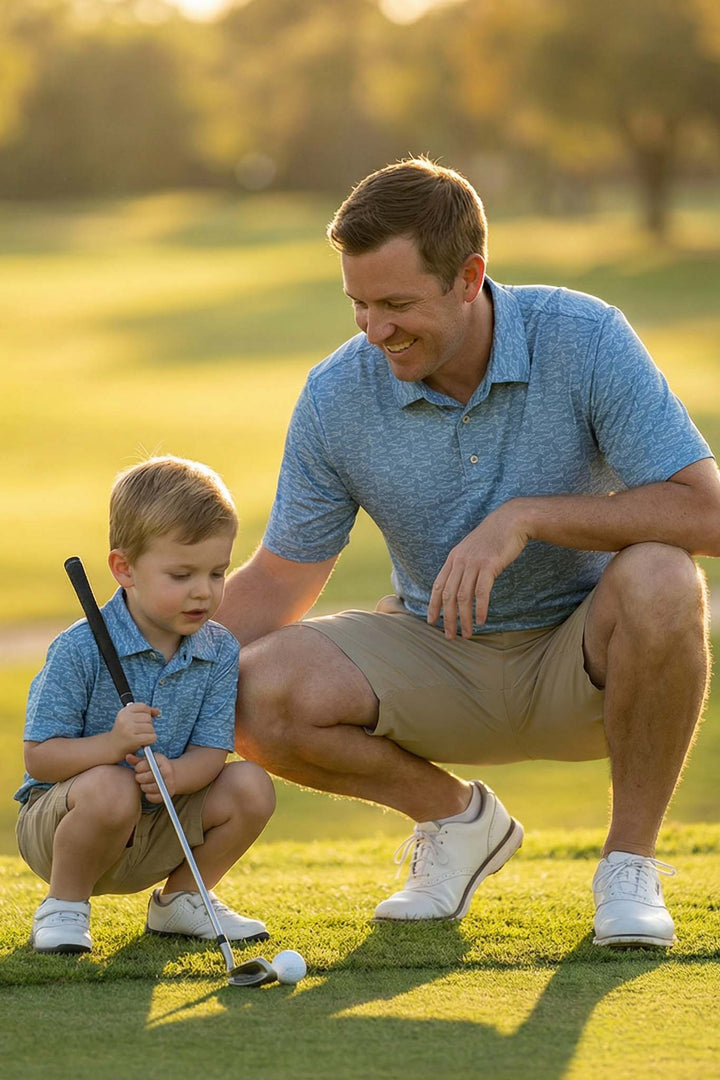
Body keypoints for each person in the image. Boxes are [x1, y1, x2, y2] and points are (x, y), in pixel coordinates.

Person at [216, 158, 720, 948]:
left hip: (587, 658)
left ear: (468, 277)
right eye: (358, 304)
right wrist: (152, 664)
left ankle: (629, 867)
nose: (375, 330)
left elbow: (708, 513)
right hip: (437, 652)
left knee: (664, 575)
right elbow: (281, 577)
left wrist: (528, 516)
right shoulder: (336, 394)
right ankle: (455, 822)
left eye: (395, 304)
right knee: (253, 688)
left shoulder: (582, 338)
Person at [15, 455, 275, 954]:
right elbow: (40, 758)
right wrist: (112, 744)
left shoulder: (219, 649)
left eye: (217, 573)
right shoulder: (79, 647)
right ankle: (64, 906)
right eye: (181, 575)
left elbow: (211, 752)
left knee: (251, 785)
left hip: (159, 823)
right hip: (65, 828)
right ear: (124, 569)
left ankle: (182, 899)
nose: (203, 591)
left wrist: (177, 776)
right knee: (113, 786)